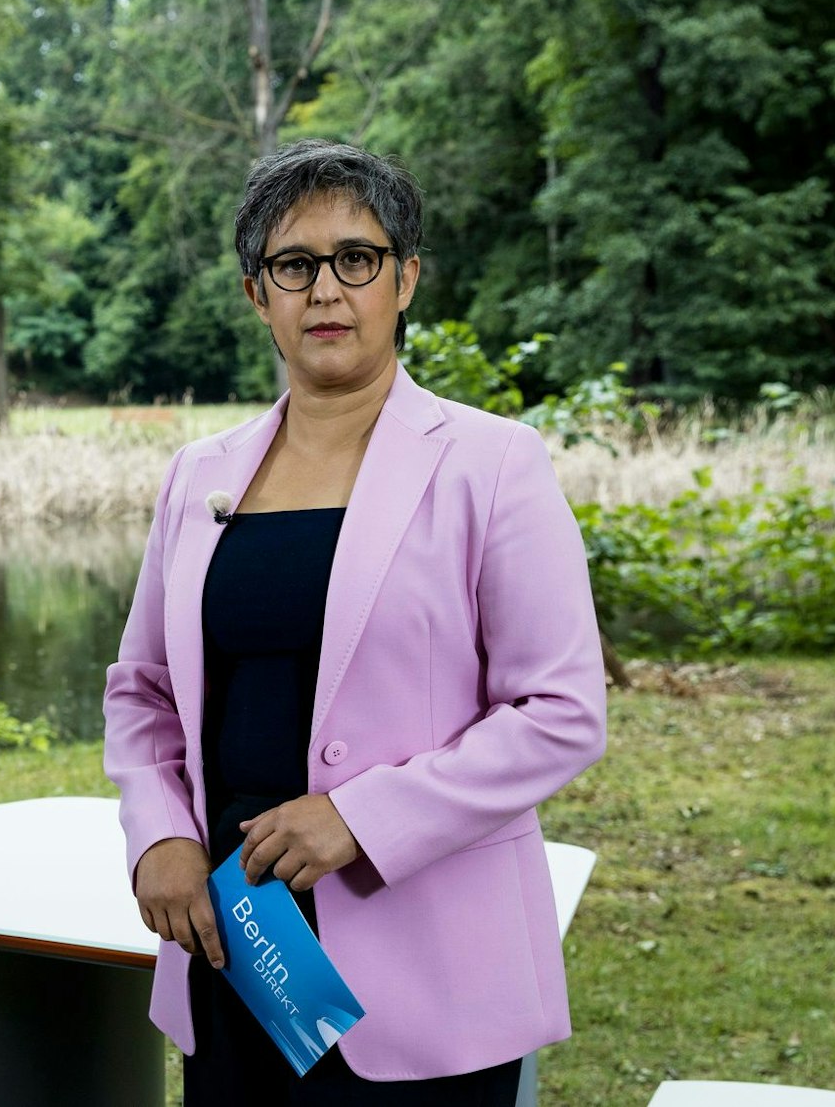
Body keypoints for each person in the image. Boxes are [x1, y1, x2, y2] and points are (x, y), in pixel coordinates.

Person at [102, 139, 606, 1103]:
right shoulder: (199, 476)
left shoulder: (493, 463)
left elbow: (561, 711)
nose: (326, 290)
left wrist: (360, 821)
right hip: (236, 943)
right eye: (294, 265)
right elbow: (143, 691)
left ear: (404, 278)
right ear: (259, 295)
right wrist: (157, 833)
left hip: (428, 962)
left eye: (356, 259)